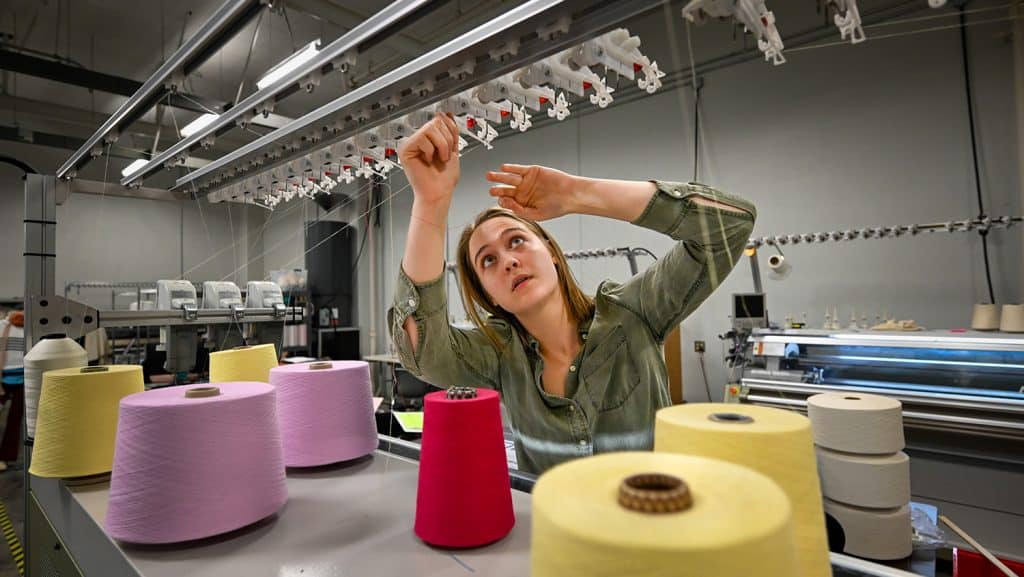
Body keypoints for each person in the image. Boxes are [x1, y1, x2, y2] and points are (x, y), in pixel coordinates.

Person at [388, 113, 756, 474]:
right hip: (554, 533)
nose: (508, 262)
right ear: (490, 295)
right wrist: (431, 202)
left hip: (653, 529)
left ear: (551, 252)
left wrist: (577, 194)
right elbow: (424, 352)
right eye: (488, 261)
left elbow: (729, 226)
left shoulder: (632, 313)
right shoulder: (500, 356)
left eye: (516, 241)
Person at [0, 310, 25, 470]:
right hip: (2, 377)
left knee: (15, 420)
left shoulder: (28, 328)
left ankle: (5, 457)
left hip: (22, 378)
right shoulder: (3, 326)